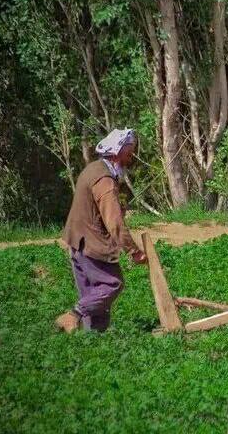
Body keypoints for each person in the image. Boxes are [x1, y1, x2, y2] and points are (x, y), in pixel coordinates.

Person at [55, 128, 148, 333]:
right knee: (112, 284)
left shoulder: (93, 169)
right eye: (128, 153)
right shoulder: (105, 180)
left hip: (77, 242)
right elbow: (114, 223)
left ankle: (93, 341)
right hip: (90, 244)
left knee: (94, 295)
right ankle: (73, 314)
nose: (130, 158)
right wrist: (135, 252)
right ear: (116, 152)